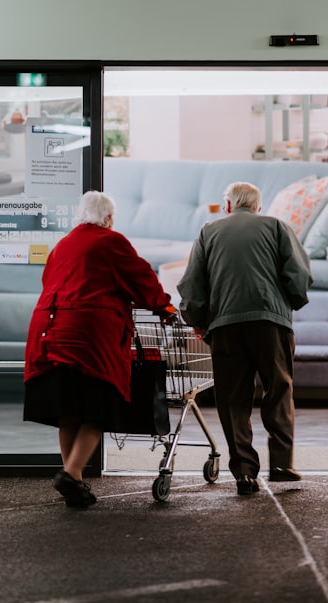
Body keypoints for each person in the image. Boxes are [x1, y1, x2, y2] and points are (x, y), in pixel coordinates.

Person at [24, 190, 176, 508]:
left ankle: (74, 481)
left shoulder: (63, 245)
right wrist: (165, 308)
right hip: (86, 335)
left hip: (48, 332)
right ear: (108, 218)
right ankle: (71, 473)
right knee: (97, 409)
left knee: (68, 411)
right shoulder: (110, 241)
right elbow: (142, 278)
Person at [177, 181, 312, 496]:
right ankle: (281, 465)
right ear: (258, 207)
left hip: (226, 326)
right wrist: (286, 303)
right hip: (270, 324)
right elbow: (299, 275)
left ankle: (244, 474)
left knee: (233, 399)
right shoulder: (277, 227)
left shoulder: (208, 232)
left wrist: (197, 320)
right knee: (278, 389)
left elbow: (192, 282)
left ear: (227, 205)